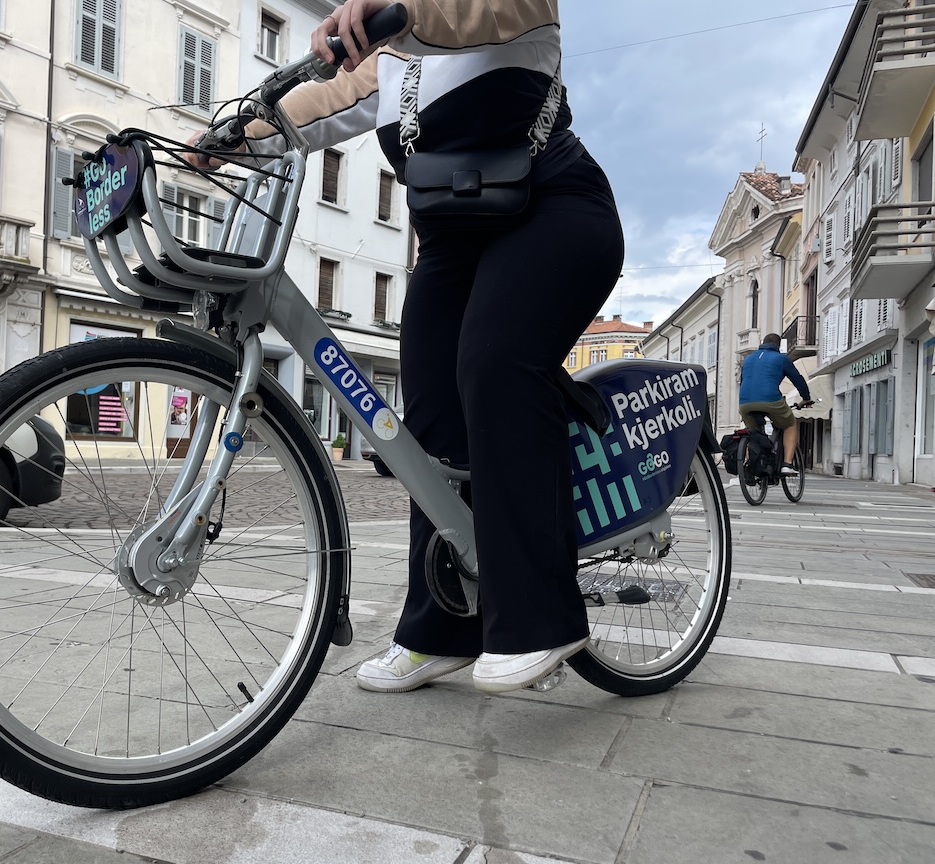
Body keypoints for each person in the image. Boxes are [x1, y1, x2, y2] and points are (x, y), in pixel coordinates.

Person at [191, 0, 624, 694]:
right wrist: (226, 138)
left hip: (554, 212)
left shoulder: (505, 8)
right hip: (455, 243)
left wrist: (394, 13)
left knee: (494, 362)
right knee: (422, 422)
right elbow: (316, 107)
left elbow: (466, 14)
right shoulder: (392, 63)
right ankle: (442, 625)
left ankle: (543, 616)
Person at [738, 333, 811, 476]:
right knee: (790, 423)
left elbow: (744, 381)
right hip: (770, 400)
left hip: (745, 402)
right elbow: (798, 380)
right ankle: (787, 465)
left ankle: (752, 466)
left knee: (753, 433)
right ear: (778, 346)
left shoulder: (748, 359)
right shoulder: (781, 359)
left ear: (762, 342)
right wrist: (806, 398)